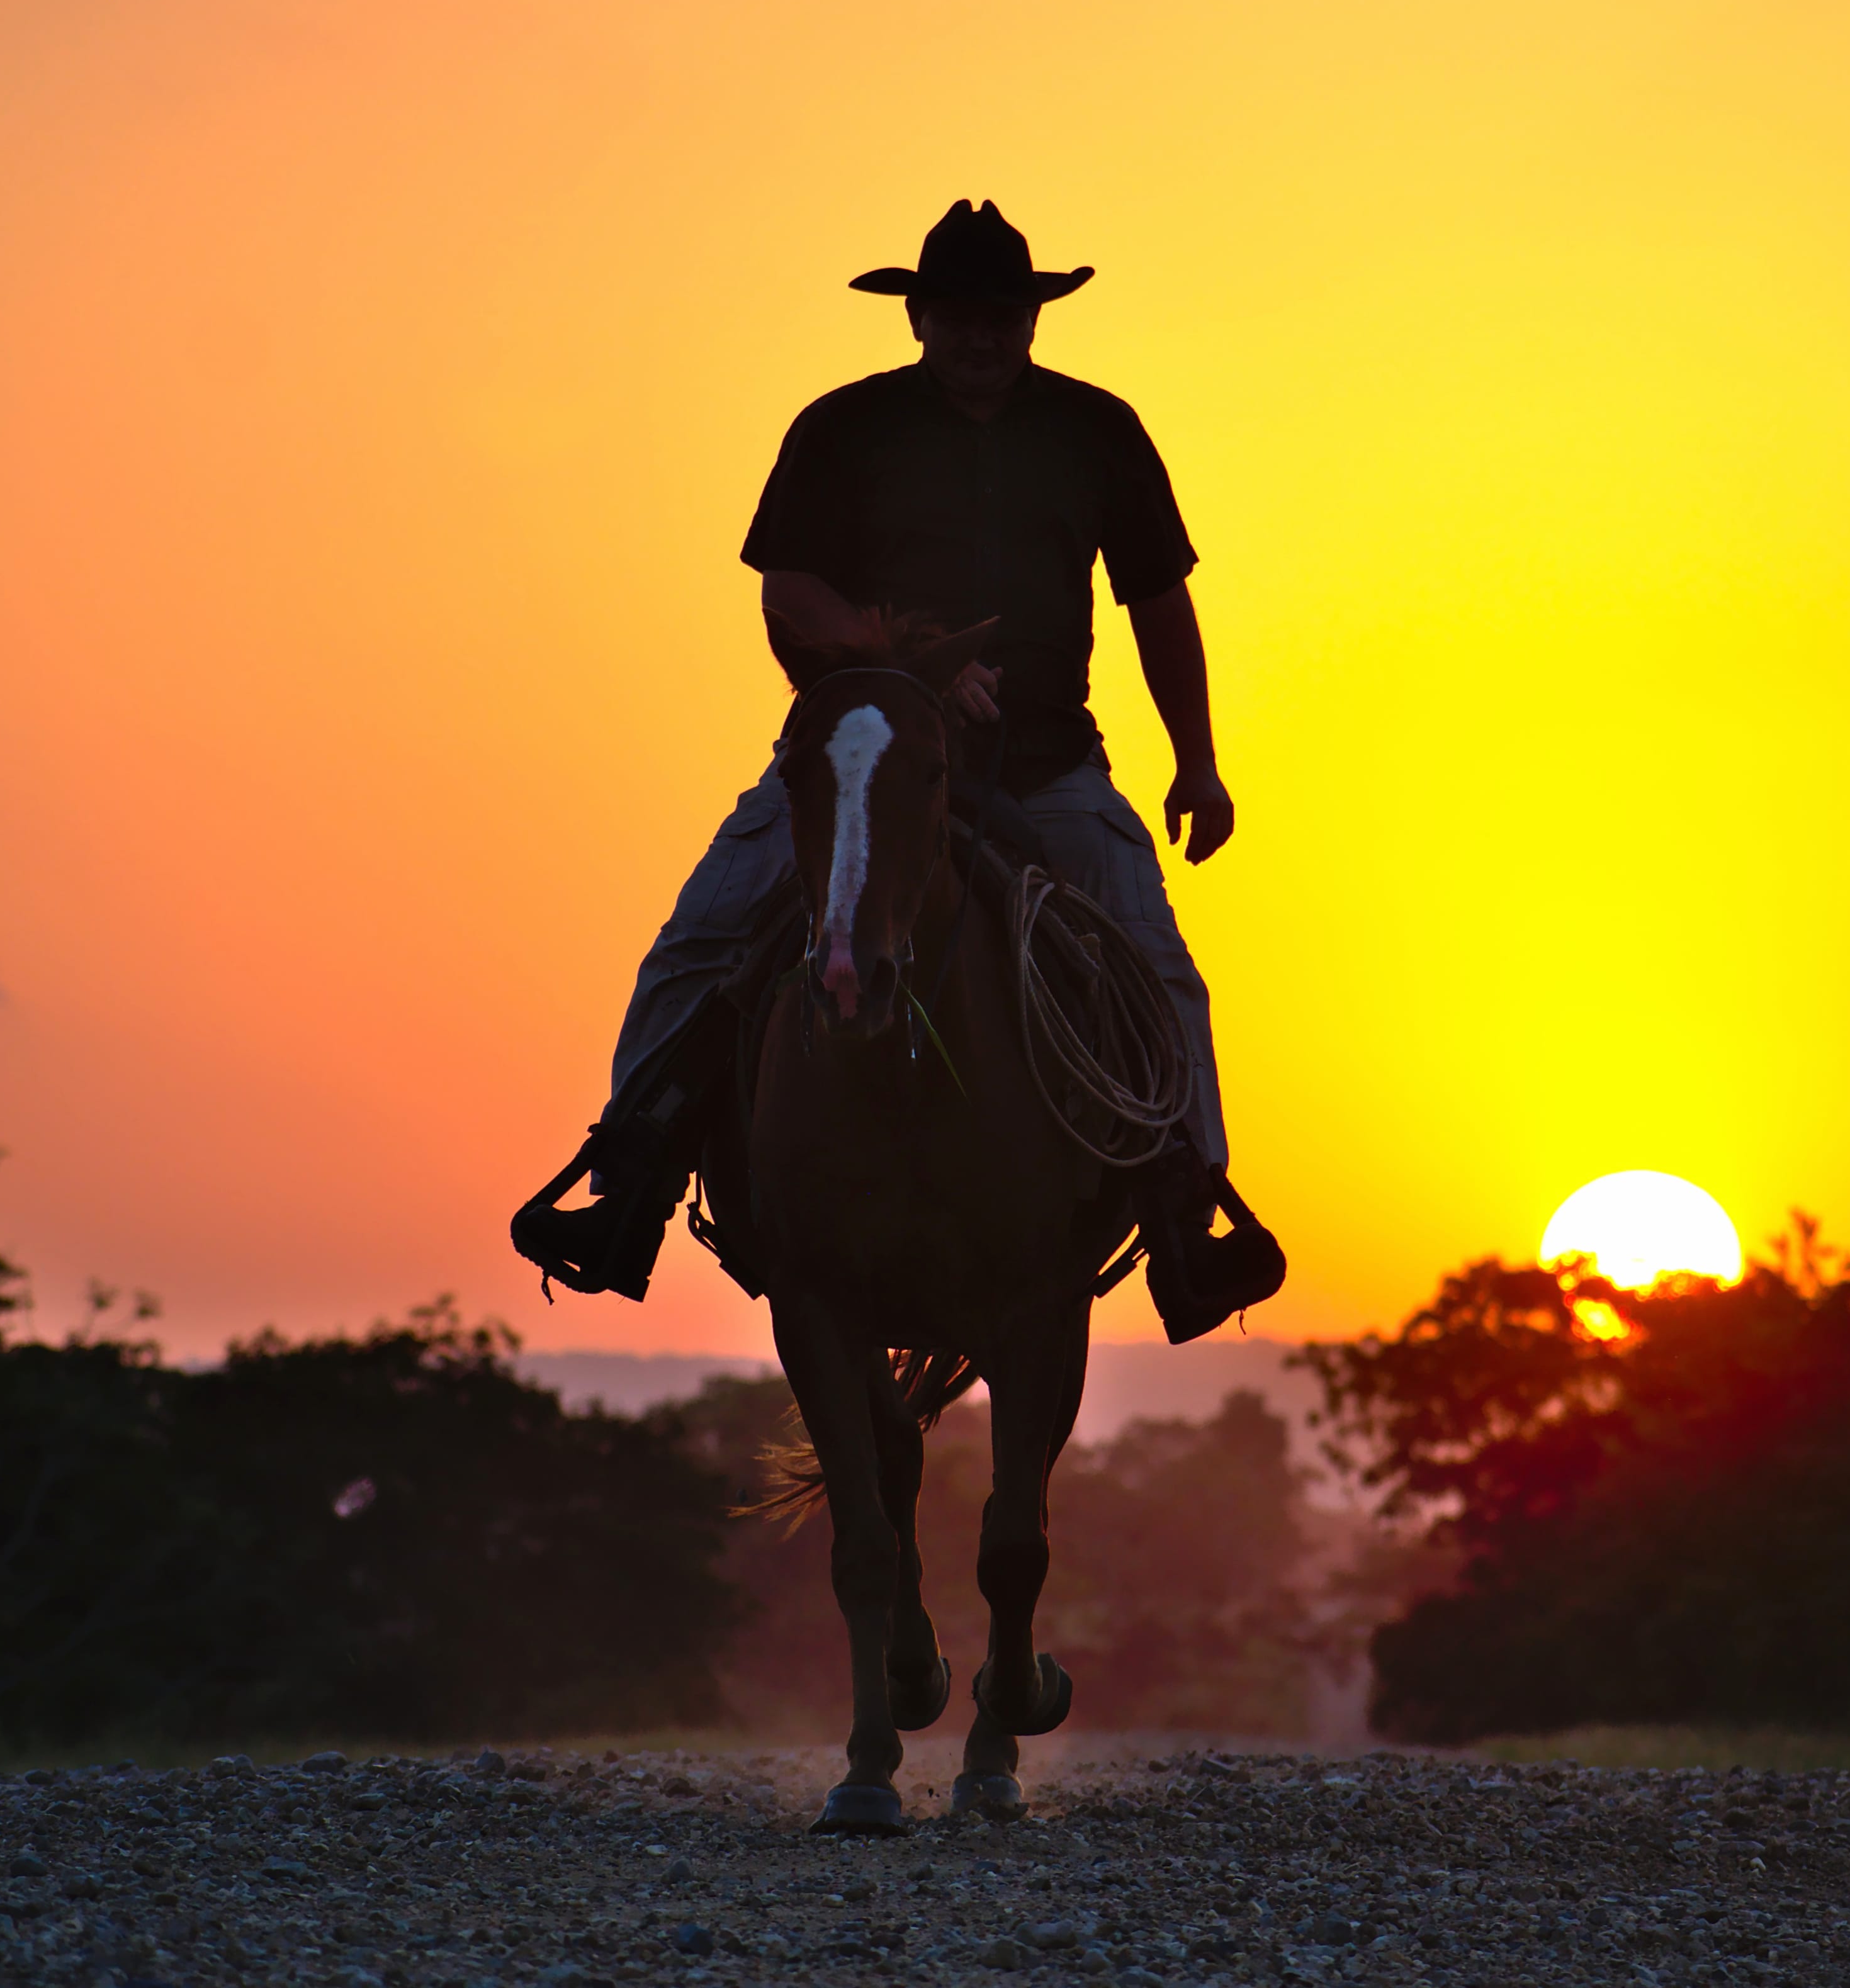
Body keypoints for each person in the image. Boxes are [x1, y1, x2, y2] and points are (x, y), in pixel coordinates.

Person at [516, 199, 1284, 1342]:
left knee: (1158, 967)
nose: (981, 334)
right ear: (919, 316)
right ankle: (627, 1184)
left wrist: (1199, 764)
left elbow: (1156, 598)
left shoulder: (1097, 431)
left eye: (1003, 314)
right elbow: (789, 593)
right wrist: (909, 665)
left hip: (1043, 767)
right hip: (859, 760)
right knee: (702, 943)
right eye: (960, 314)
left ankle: (1186, 1217)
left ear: (1031, 318)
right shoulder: (842, 429)